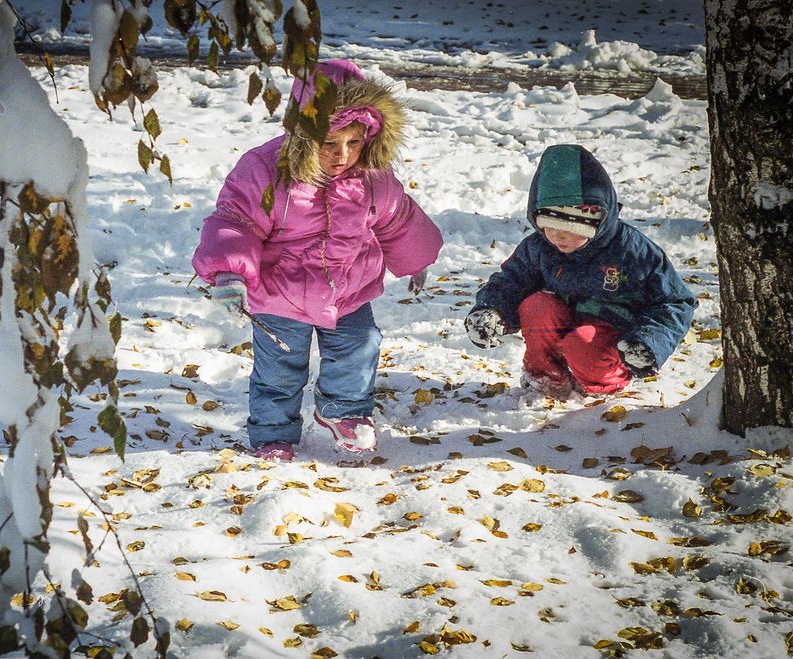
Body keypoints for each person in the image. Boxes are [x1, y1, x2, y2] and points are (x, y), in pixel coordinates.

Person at [193, 60, 443, 460]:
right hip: (280, 293)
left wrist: (416, 258)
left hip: (349, 288)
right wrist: (229, 271)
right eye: (329, 143)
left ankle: (345, 413)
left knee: (359, 347)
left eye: (354, 143)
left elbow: (397, 217)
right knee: (279, 369)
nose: (342, 155)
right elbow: (236, 220)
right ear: (305, 135)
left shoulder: (373, 176)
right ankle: (274, 433)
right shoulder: (265, 170)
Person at [465, 143, 696, 399]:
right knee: (536, 306)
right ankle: (546, 377)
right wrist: (492, 310)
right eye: (549, 228)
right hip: (563, 325)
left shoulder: (632, 250)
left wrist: (647, 342)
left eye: (570, 231)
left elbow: (674, 301)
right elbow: (511, 282)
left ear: (596, 222)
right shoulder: (539, 247)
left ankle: (606, 382)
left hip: (609, 337)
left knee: (582, 344)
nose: (557, 239)